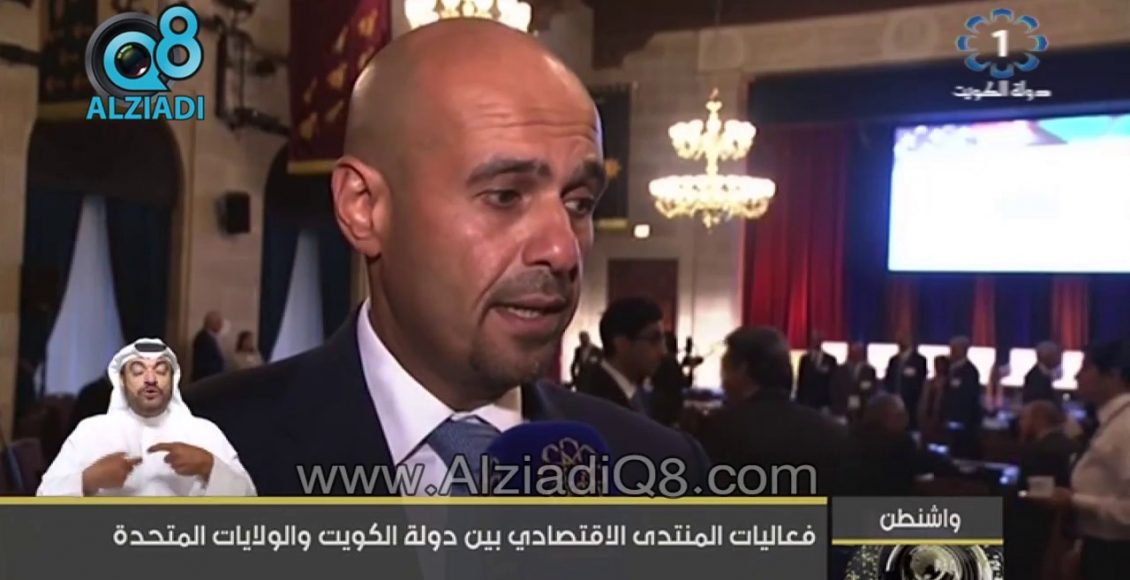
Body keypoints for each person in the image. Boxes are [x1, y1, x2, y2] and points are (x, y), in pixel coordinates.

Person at [187, 19, 709, 496]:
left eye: (579, 203)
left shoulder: (659, 473)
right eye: (505, 196)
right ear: (363, 208)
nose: (562, 250)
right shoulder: (182, 462)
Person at [37, 339, 255, 496]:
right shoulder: (91, 432)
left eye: (160, 371)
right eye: (138, 371)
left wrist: (209, 466)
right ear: (122, 381)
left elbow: (250, 499)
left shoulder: (204, 433)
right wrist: (89, 479)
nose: (150, 379)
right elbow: (43, 498)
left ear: (173, 380)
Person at [698, 327, 856, 496]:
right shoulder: (835, 433)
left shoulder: (719, 430)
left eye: (724, 367)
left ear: (742, 369)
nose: (722, 379)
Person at [1027, 339, 1130, 579]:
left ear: (1113, 375)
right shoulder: (1111, 419)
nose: (1076, 376)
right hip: (1097, 546)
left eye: (1085, 368)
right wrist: (1080, 547)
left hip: (1117, 557)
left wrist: (1075, 501)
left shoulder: (1125, 426)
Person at [575, 297, 666, 413]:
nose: (663, 351)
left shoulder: (636, 392)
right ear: (621, 344)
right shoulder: (596, 401)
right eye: (654, 340)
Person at [853, 394, 920, 496]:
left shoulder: (852, 437)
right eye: (901, 415)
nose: (906, 418)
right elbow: (931, 463)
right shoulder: (900, 443)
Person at [942, 336, 983, 459]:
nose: (951, 352)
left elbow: (968, 398)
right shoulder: (949, 369)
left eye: (954, 349)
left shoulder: (970, 371)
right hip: (949, 418)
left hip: (963, 421)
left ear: (963, 350)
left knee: (960, 452)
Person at [884, 332, 928, 430]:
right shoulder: (893, 360)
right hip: (893, 402)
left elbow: (920, 382)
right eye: (899, 339)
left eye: (904, 338)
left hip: (912, 403)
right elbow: (888, 380)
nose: (901, 341)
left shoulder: (919, 360)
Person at [830, 341, 878, 422]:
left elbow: (872, 389)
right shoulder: (839, 370)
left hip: (862, 412)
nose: (855, 353)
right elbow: (833, 389)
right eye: (852, 350)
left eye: (857, 351)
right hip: (842, 411)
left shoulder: (869, 371)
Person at [648, 332, 688, 427]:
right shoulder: (670, 362)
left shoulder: (663, 361)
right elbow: (682, 382)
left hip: (662, 405)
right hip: (669, 406)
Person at [796, 330, 837, 411]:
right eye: (814, 339)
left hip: (823, 404)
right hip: (807, 402)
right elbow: (800, 381)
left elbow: (834, 383)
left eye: (819, 339)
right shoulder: (804, 359)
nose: (816, 341)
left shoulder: (830, 360)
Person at [1024, 341, 1062, 406]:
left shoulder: (1043, 374)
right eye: (1057, 355)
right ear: (1048, 356)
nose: (1060, 359)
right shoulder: (1036, 379)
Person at [191, 311, 226, 381]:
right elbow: (204, 362)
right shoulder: (203, 338)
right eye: (218, 322)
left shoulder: (212, 337)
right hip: (206, 378)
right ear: (211, 323)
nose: (221, 325)